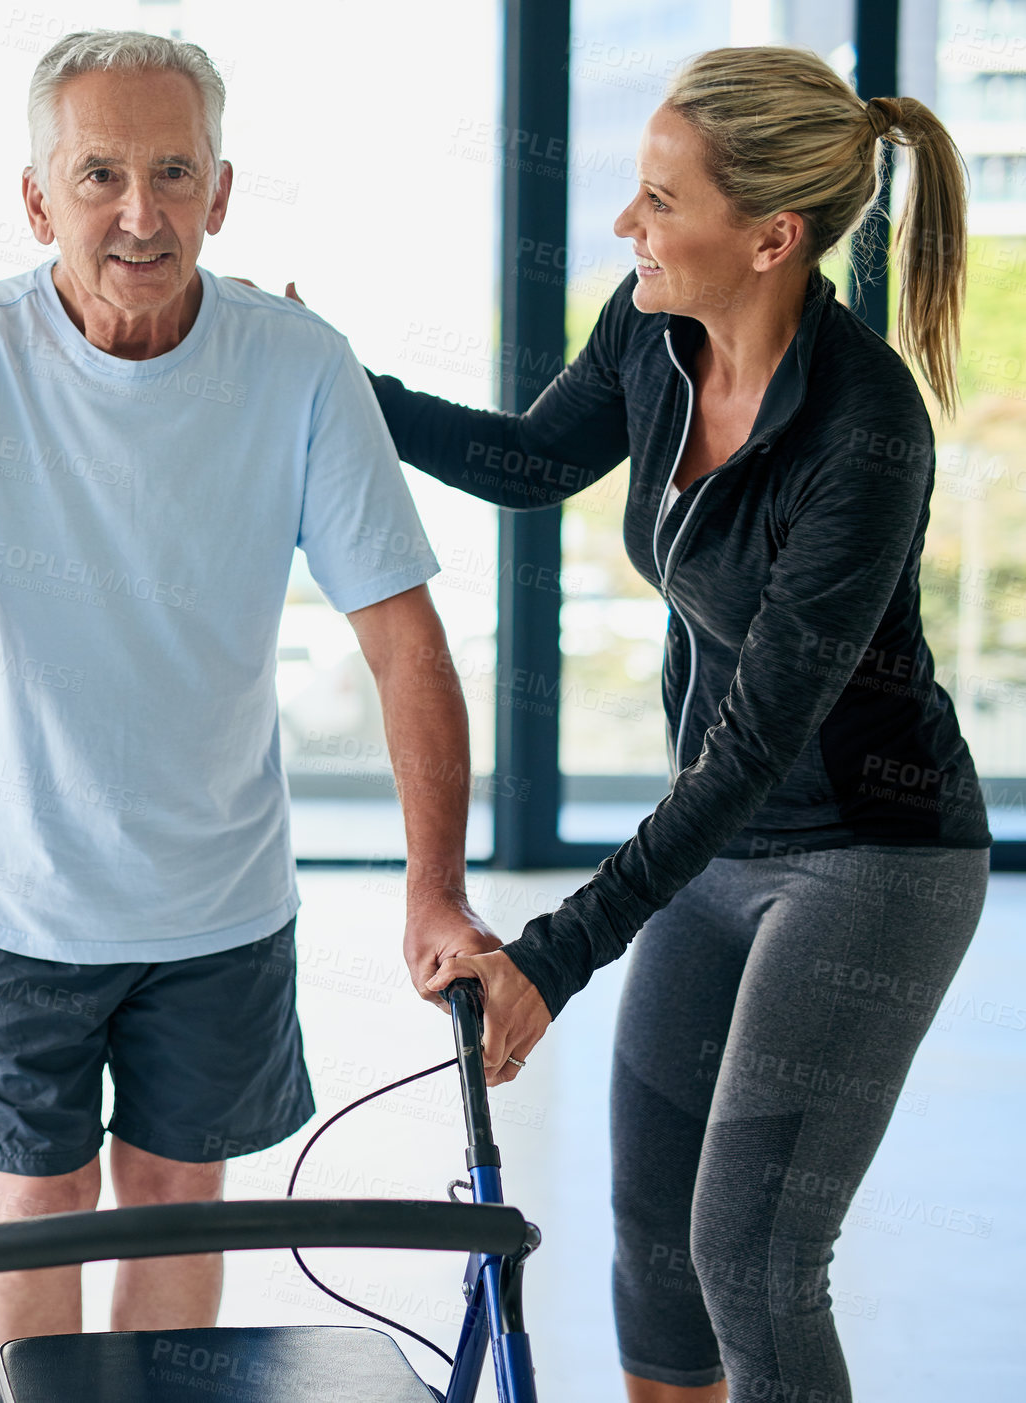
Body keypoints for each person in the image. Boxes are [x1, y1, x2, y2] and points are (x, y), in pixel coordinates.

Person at [0, 29, 496, 1384]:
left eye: (173, 171)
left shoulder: (301, 367)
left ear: (222, 193)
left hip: (220, 902)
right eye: (99, 175)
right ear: (36, 201)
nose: (140, 212)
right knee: (37, 1216)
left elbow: (406, 645)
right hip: (7, 895)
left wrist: (439, 893)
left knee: (185, 1206)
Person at [347, 45, 990, 1403]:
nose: (626, 226)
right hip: (725, 842)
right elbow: (533, 462)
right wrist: (342, 391)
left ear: (772, 237)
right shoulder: (652, 330)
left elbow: (757, 742)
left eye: (657, 201)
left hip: (873, 855)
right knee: (653, 1249)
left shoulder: (865, 431)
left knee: (751, 1258)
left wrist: (557, 955)